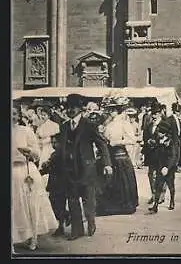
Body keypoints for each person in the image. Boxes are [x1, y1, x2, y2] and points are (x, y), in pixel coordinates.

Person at [59, 94, 112, 240]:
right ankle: (77, 230)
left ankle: (91, 220)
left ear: (80, 109)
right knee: (73, 199)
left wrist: (107, 164)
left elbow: (101, 144)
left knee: (88, 199)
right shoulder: (64, 126)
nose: (70, 110)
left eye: (73, 107)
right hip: (69, 169)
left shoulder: (88, 125)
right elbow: (61, 148)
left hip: (86, 169)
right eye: (68, 107)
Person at [12, 104, 58, 251]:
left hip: (25, 171)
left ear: (18, 116)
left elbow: (37, 153)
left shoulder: (26, 131)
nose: (11, 117)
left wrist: (29, 151)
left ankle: (33, 238)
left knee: (31, 205)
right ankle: (12, 238)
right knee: (14, 207)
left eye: (14, 114)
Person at [97, 97, 139, 216]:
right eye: (109, 110)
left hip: (120, 155)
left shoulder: (124, 123)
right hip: (109, 155)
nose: (111, 112)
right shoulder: (108, 124)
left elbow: (132, 139)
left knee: (122, 180)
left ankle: (123, 205)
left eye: (113, 110)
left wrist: (116, 142)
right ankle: (110, 205)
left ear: (118, 110)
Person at [149, 102, 181, 211]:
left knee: (170, 185)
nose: (158, 134)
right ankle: (155, 205)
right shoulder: (159, 140)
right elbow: (158, 152)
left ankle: (172, 201)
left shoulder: (170, 143)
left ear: (164, 133)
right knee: (158, 184)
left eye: (160, 133)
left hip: (168, 167)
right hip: (160, 165)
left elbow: (172, 156)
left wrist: (167, 167)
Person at [39, 133, 69, 238]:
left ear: (61, 143)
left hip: (60, 183)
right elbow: (48, 167)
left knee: (58, 205)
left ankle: (61, 225)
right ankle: (65, 217)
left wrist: (44, 167)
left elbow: (50, 166)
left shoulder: (59, 154)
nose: (53, 144)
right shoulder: (54, 154)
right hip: (55, 183)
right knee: (55, 205)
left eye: (55, 142)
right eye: (52, 142)